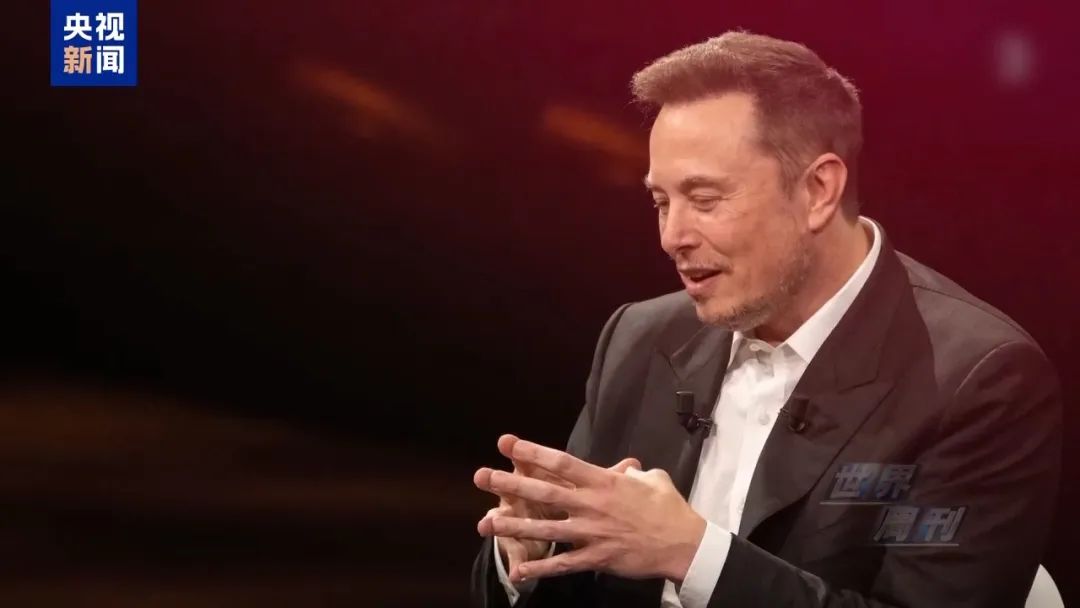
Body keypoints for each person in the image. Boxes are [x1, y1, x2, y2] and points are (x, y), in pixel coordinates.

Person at [470, 31, 1062, 607]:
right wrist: (529, 554)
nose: (672, 236)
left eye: (705, 200)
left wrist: (693, 556)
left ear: (818, 190)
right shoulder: (639, 337)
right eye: (661, 202)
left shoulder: (978, 380)